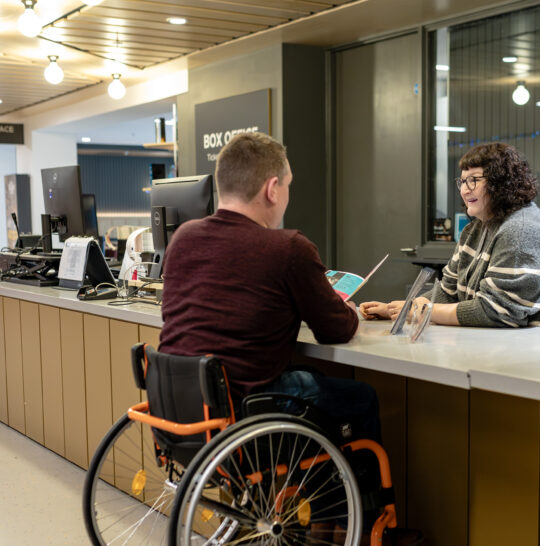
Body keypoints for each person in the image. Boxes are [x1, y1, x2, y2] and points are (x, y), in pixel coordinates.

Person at [158, 131, 380, 442]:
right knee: (361, 396)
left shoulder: (182, 238)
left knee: (311, 378)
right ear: (273, 189)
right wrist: (347, 311)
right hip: (243, 407)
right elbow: (336, 330)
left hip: (176, 403)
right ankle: (353, 491)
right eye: (288, 185)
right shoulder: (288, 248)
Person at [361, 142, 540, 331]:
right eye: (462, 181)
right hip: (516, 349)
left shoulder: (522, 231)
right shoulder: (476, 229)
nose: (465, 189)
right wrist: (399, 308)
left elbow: (496, 312)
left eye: (474, 180)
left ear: (501, 183)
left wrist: (421, 310)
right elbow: (448, 291)